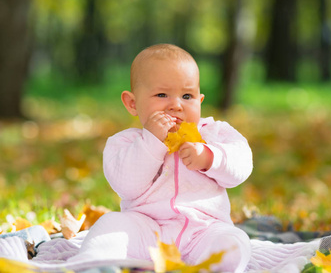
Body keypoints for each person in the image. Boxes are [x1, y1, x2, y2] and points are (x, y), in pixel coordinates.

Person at [70, 44, 253, 272]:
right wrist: (151, 143)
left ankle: (215, 267)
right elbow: (126, 185)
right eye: (161, 95)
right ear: (133, 103)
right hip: (146, 229)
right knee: (110, 224)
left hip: (204, 229)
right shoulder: (125, 143)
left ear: (200, 100)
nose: (176, 105)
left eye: (187, 96)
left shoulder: (214, 134)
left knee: (234, 241)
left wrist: (209, 157)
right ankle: (94, 264)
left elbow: (242, 165)